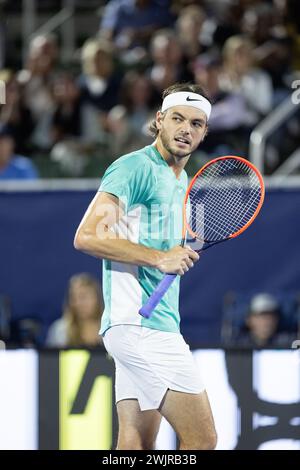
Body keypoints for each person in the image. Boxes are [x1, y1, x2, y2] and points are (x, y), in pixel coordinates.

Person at [74, 82, 217, 450]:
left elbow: (150, 241)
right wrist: (159, 257)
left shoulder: (182, 179)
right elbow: (87, 237)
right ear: (159, 120)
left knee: (135, 444)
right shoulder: (134, 167)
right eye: (178, 119)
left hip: (145, 325)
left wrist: (173, 249)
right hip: (141, 327)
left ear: (204, 132)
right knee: (202, 441)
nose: (186, 129)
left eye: (197, 123)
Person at [46, 273, 104, 348]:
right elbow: (50, 358)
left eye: (83, 297)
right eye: (73, 298)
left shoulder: (109, 329)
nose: (78, 303)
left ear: (97, 298)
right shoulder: (60, 330)